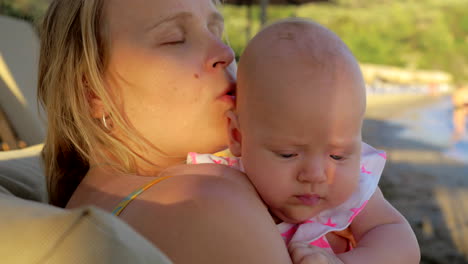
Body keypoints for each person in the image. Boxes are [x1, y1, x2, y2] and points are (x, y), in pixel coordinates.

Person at [38, 0, 298, 263]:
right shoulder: (202, 203)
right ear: (92, 94)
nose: (226, 52)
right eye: (174, 39)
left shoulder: (94, 206)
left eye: (216, 32)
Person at [187, 19, 420, 263]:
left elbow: (400, 242)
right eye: (288, 154)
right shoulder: (220, 185)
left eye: (337, 155)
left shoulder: (354, 189)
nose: (316, 175)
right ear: (237, 136)